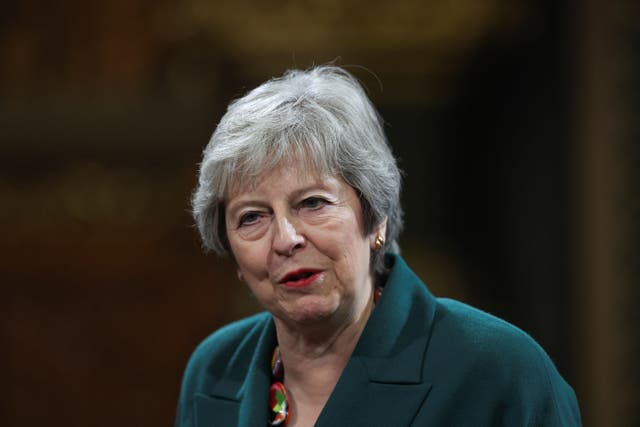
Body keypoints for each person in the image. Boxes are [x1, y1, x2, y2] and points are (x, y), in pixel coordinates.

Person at [175, 66, 581, 427]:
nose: (285, 240)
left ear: (375, 218)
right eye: (251, 218)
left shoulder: (499, 370)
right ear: (232, 254)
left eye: (312, 203)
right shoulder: (213, 370)